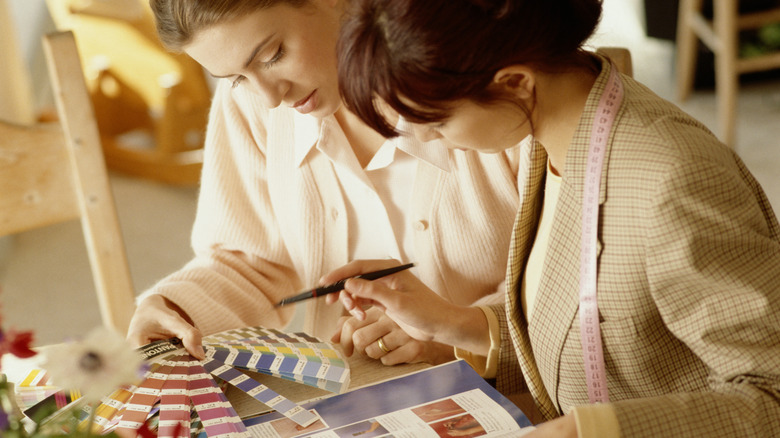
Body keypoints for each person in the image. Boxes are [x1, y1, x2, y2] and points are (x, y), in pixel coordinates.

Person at [325, 0, 780, 436]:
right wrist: (450, 322)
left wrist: (596, 430)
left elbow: (771, 393)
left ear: (515, 82)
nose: (436, 144)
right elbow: (582, 324)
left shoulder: (671, 180)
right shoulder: (551, 138)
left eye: (439, 125)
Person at [126, 0, 523, 366]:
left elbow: (572, 292)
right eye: (234, 78)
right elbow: (251, 262)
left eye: (272, 55)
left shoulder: (490, 86)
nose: (268, 97)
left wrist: (454, 330)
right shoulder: (252, 106)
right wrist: (176, 311)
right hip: (353, 401)